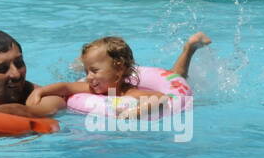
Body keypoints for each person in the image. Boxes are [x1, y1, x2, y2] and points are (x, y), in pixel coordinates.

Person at [30, 32, 211, 119]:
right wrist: (40, 92)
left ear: (118, 70)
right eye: (86, 72)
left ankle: (189, 48)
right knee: (175, 74)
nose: (88, 78)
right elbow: (66, 86)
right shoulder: (92, 88)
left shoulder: (133, 94)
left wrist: (134, 112)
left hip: (164, 88)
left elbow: (163, 98)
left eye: (94, 71)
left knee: (177, 76)